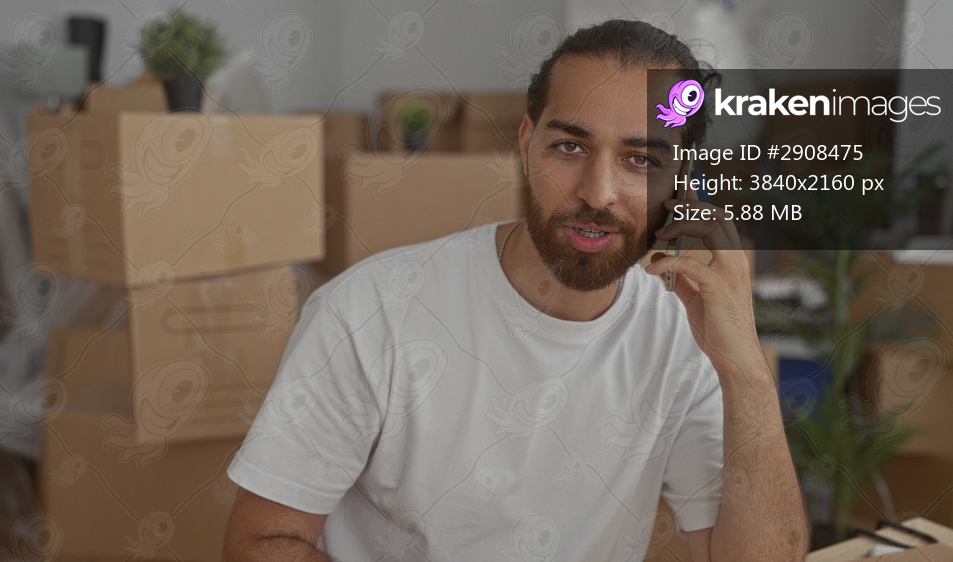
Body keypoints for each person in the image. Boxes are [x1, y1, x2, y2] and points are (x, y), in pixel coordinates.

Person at [222, 19, 807, 562]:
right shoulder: (369, 311)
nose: (598, 193)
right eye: (570, 147)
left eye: (640, 160)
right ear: (527, 144)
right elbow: (260, 544)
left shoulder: (686, 333)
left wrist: (744, 365)